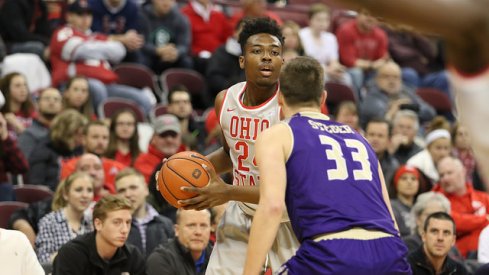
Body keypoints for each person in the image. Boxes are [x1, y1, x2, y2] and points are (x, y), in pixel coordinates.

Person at [243, 56, 410, 274]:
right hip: (389, 251)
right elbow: (390, 216)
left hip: (332, 252)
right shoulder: (360, 138)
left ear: (280, 98)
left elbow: (272, 207)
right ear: (323, 97)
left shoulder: (279, 134)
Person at [329, 0, 489, 195]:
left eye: (395, 77)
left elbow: (428, 110)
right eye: (387, 77)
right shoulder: (372, 95)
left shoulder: (406, 91)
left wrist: (407, 105)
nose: (392, 81)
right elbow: (376, 114)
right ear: (378, 79)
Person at [178, 18, 299, 274]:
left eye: (274, 53)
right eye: (257, 51)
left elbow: (290, 186)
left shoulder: (291, 109)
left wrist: (228, 191)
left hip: (289, 217)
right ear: (242, 60)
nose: (267, 58)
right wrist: (186, 171)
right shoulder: (226, 99)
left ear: (282, 62)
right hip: (241, 211)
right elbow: (229, 153)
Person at [52, 195, 145, 274]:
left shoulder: (133, 256)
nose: (124, 230)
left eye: (128, 222)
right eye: (117, 222)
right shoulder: (71, 254)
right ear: (98, 224)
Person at [433, 156, 489, 259]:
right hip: (460, 259)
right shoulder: (436, 199)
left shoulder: (483, 198)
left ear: (463, 171)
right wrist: (485, 219)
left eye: (449, 173)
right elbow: (452, 221)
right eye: (441, 175)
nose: (445, 178)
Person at [35, 172, 95, 264]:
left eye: (89, 190)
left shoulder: (93, 223)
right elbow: (43, 261)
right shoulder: (49, 222)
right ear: (66, 195)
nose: (85, 195)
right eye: (79, 190)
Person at [115, 168, 174, 257]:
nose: (128, 194)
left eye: (133, 187)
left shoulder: (166, 224)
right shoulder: (113, 226)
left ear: (146, 190)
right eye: (122, 190)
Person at [146, 209, 213, 275]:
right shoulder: (160, 259)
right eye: (191, 225)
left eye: (203, 226)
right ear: (177, 230)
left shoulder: (217, 257)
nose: (198, 232)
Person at [18, 87, 63, 159]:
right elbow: (24, 165)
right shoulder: (29, 134)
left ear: (62, 106)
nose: (51, 102)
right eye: (47, 99)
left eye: (56, 99)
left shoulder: (65, 134)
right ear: (38, 104)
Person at [390, 165, 420, 236]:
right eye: (404, 178)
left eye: (413, 179)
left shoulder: (421, 207)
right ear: (396, 182)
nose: (409, 182)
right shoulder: (390, 207)